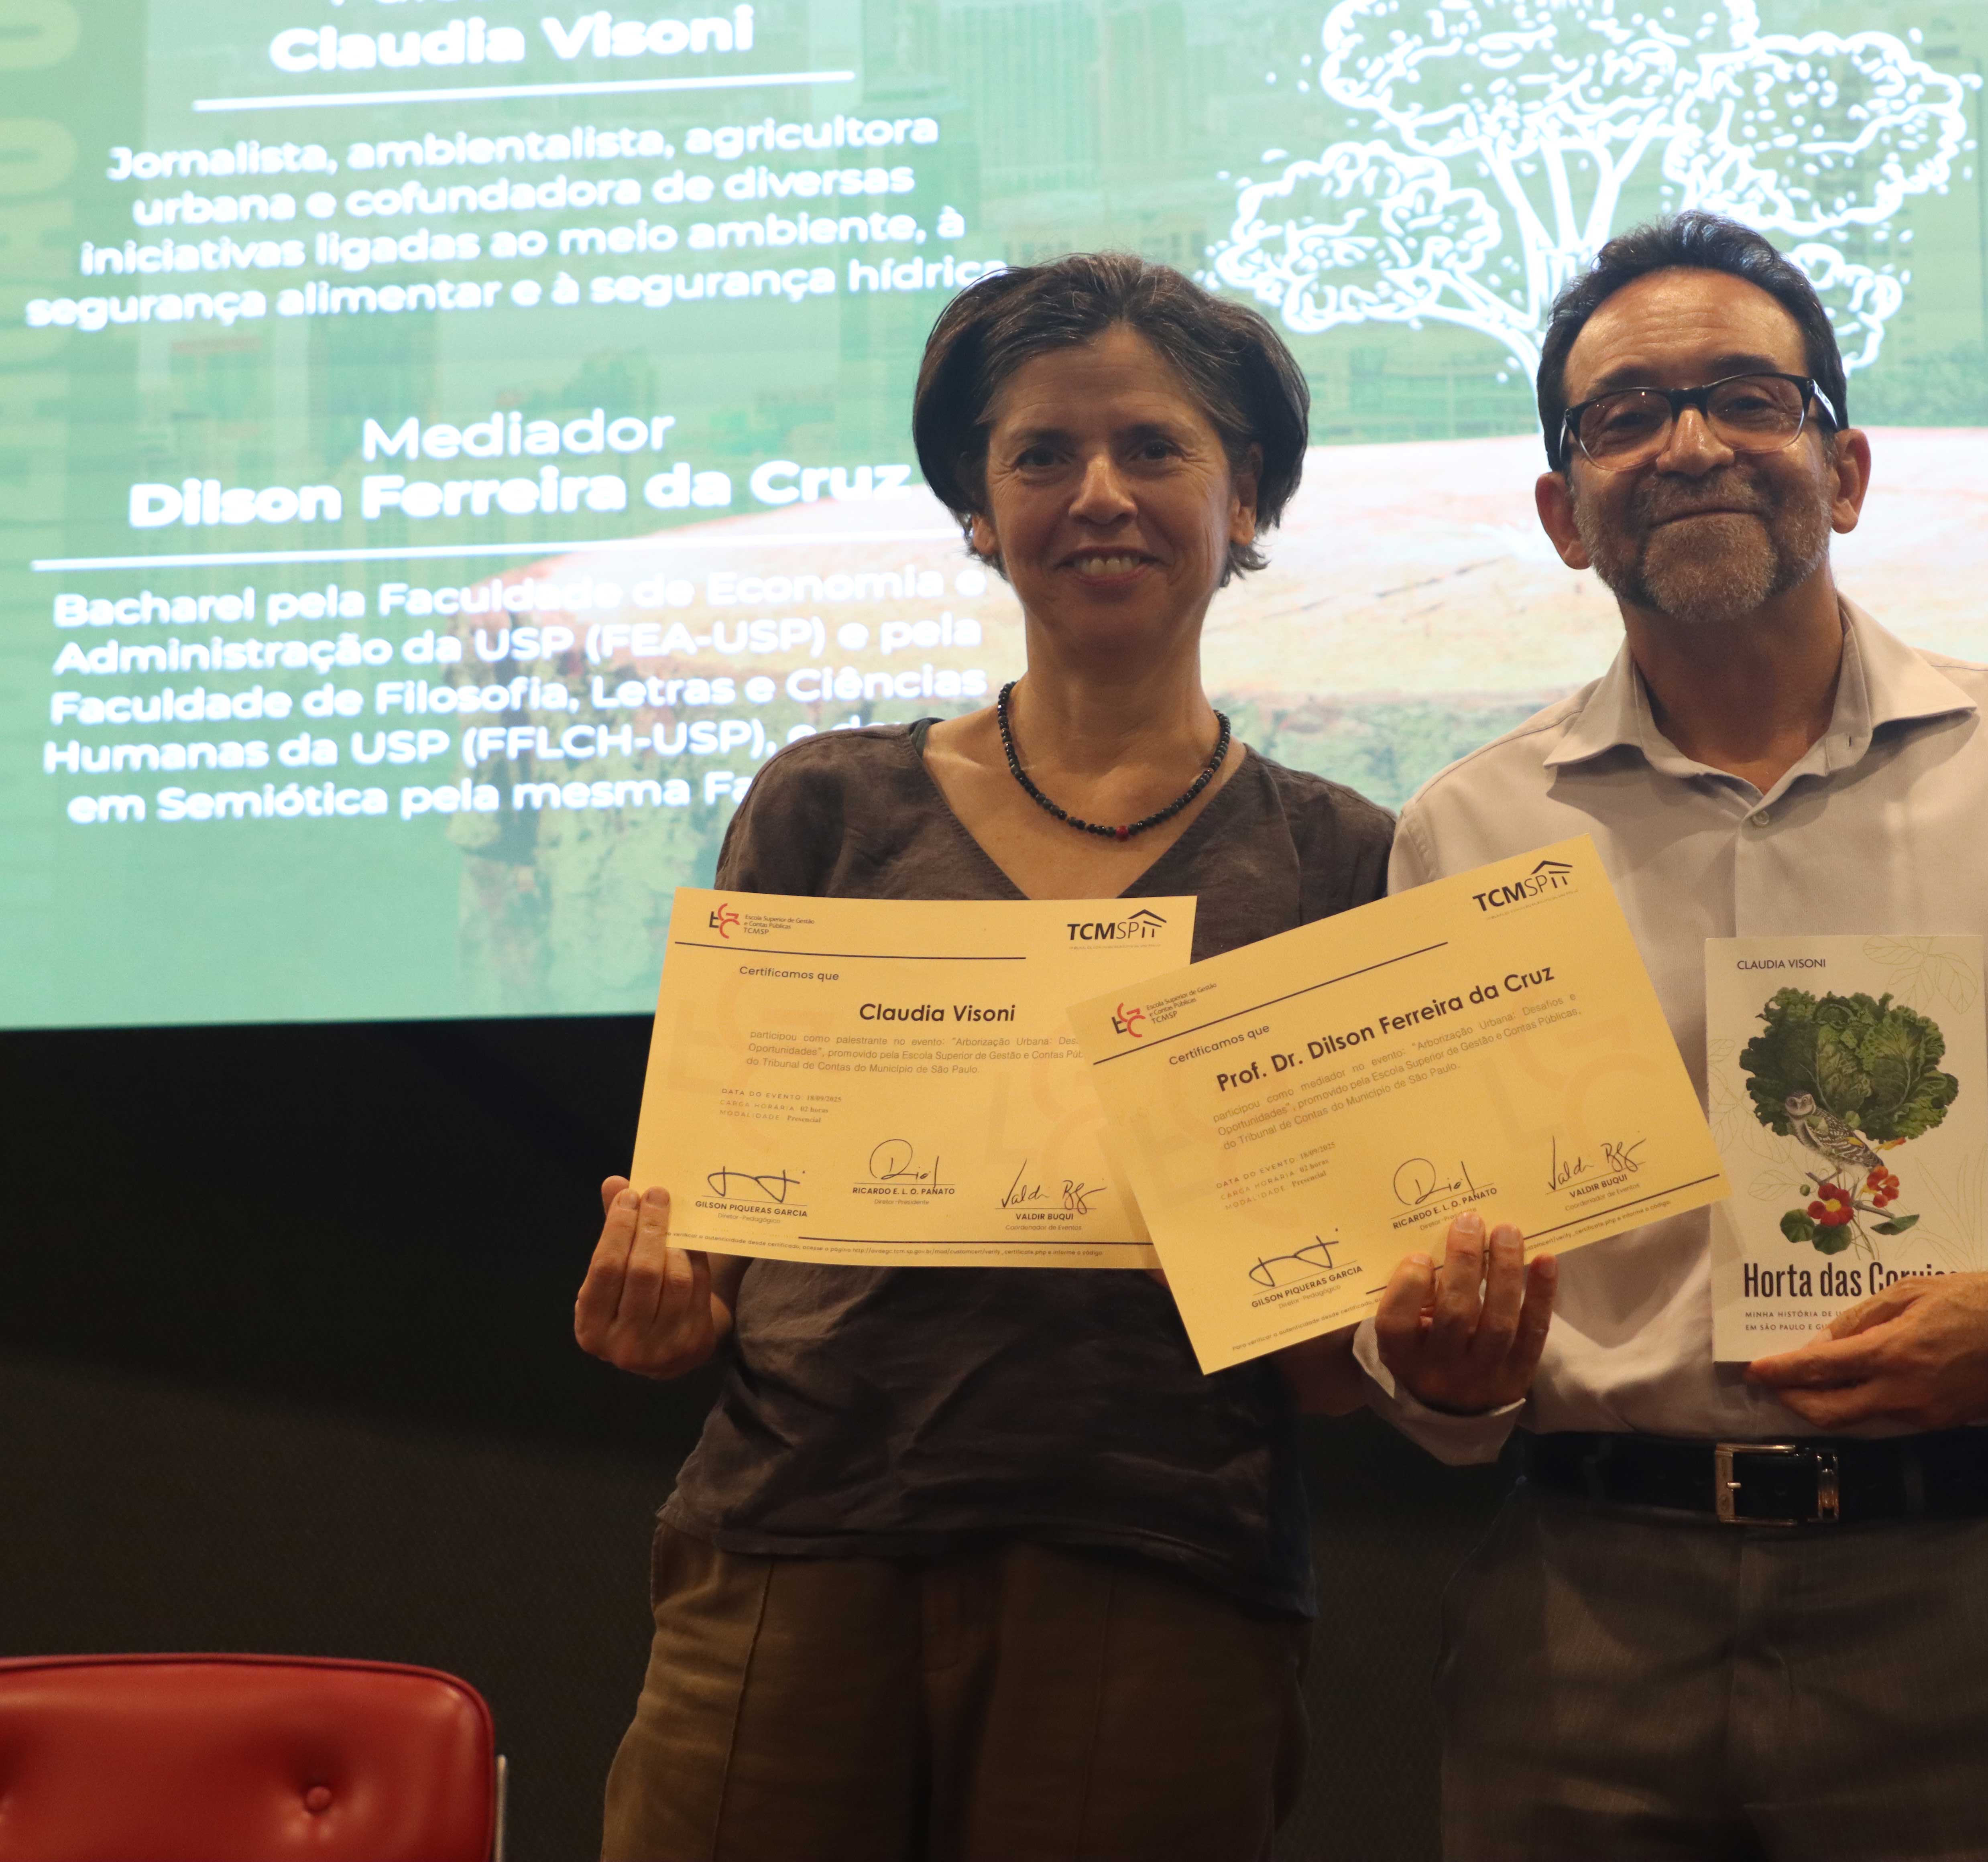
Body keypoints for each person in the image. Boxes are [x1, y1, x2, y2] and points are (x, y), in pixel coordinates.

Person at [1361, 211, 1988, 1860]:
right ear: (1563, 512)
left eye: (1751, 398)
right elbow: (1416, 1233)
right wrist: (1438, 1375)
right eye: (1625, 416)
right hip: (1586, 1624)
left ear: (1847, 469)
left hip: (1983, 1600)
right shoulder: (1470, 831)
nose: (1691, 445)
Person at [575, 252, 1388, 1862]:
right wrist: (657, 1298)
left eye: (1153, 448)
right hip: (790, 1549)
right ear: (975, 506)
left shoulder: (1338, 859)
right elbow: (705, 1254)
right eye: (1041, 454)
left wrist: (1411, 1330)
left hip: (1163, 1565)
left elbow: (1325, 1363)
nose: (1100, 495)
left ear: (1245, 497)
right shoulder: (823, 809)